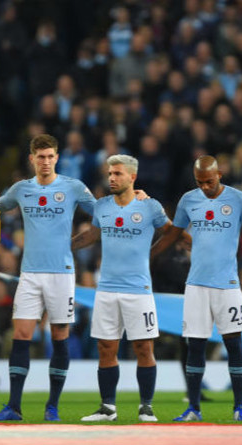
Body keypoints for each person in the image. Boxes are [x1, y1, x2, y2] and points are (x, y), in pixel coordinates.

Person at [0, 134, 97, 422]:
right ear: (32, 159)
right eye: (41, 157)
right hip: (30, 274)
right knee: (22, 335)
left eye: (50, 156)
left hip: (62, 274)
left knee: (59, 335)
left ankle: (52, 406)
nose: (46, 162)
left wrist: (133, 195)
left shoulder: (73, 187)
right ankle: (13, 406)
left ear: (57, 158)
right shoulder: (21, 189)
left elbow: (103, 211)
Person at [151, 155, 242, 421]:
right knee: (194, 345)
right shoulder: (189, 199)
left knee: (234, 344)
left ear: (219, 174)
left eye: (209, 181)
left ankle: (239, 407)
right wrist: (147, 256)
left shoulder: (239, 199)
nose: (205, 187)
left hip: (228, 284)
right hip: (196, 284)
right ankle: (194, 408)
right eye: (200, 182)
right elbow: (174, 233)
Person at [72, 154, 171, 421]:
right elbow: (92, 235)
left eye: (117, 174)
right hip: (106, 290)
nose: (112, 178)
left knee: (143, 348)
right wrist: (66, 246)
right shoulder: (102, 206)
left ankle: (146, 406)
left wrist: (152, 253)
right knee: (106, 348)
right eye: (110, 174)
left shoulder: (149, 206)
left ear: (132, 177)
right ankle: (107, 407)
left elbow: (171, 232)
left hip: (138, 289)